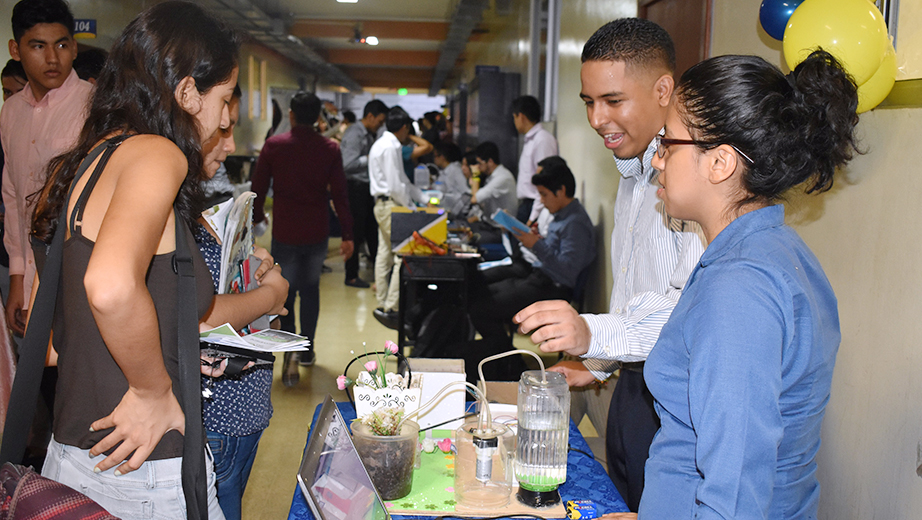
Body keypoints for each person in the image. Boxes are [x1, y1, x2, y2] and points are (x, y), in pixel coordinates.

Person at [29, 2, 239, 518]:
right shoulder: (155, 155)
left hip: (72, 455)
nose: (229, 116)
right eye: (226, 97)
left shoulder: (81, 162)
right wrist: (152, 388)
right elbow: (111, 287)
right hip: (142, 468)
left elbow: (54, 338)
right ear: (188, 92)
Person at [638, 50, 859, 518]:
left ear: (719, 163)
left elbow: (735, 495)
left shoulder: (739, 289)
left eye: (667, 142)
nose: (657, 160)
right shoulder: (779, 251)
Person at [513, 19, 705, 512]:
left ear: (664, 89)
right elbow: (633, 288)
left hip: (676, 400)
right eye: (588, 102)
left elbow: (688, 310)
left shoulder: (697, 176)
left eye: (613, 101)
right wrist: (598, 363)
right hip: (631, 382)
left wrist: (591, 336)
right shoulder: (634, 165)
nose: (597, 119)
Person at [196, 85, 289, 520]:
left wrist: (256, 277)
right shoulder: (170, 211)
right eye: (222, 128)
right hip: (220, 412)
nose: (231, 144)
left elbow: (223, 280)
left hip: (242, 405)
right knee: (223, 503)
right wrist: (269, 294)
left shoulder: (203, 194)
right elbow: (205, 312)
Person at [2, 0, 93, 337]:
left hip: (78, 278)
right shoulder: (11, 111)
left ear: (74, 47)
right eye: (38, 46)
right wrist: (18, 280)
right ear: (16, 49)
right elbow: (13, 197)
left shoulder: (94, 106)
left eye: (62, 44)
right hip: (29, 275)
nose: (53, 58)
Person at [251, 91, 354, 387]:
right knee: (310, 290)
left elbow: (258, 187)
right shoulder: (329, 149)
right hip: (316, 230)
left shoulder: (274, 146)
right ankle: (306, 349)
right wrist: (348, 234)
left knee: (286, 291)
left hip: (286, 230)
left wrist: (258, 218)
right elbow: (340, 195)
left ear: (292, 114)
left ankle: (291, 351)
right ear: (319, 117)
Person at [469, 159, 595, 347]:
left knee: (482, 309)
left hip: (553, 287)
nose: (542, 202)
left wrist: (536, 245)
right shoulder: (562, 216)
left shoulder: (574, 223)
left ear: (560, 191)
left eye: (544, 195)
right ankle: (501, 353)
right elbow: (556, 254)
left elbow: (567, 270)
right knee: (479, 292)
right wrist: (538, 242)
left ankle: (504, 358)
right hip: (538, 277)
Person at [369, 106, 427, 328]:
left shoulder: (382, 144)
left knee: (384, 252)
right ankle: (392, 307)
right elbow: (396, 185)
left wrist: (421, 196)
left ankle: (383, 302)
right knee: (402, 254)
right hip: (391, 205)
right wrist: (412, 207)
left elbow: (402, 180)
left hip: (382, 204)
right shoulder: (390, 147)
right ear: (404, 128)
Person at [341, 99, 387, 288]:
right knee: (356, 232)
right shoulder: (354, 134)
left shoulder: (369, 134)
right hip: (355, 189)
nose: (381, 125)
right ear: (370, 116)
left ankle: (379, 275)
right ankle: (351, 276)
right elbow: (347, 164)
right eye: (380, 121)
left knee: (372, 232)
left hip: (366, 190)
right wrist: (370, 159)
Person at [511, 95, 558, 224]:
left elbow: (544, 180)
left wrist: (533, 217)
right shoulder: (530, 140)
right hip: (527, 205)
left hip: (535, 206)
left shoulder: (542, 140)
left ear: (521, 116)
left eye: (514, 118)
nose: (514, 122)